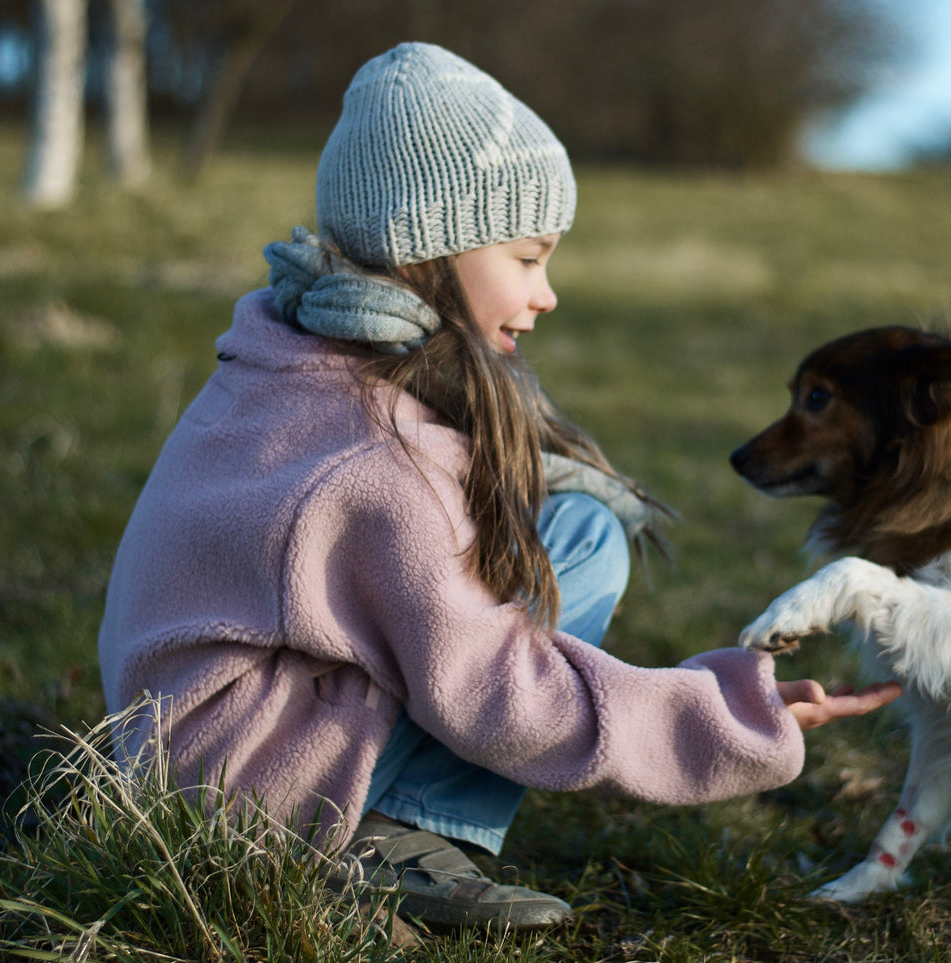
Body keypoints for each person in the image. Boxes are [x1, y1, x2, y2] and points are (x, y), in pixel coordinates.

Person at [96, 42, 899, 934]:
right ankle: (380, 845)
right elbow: (504, 698)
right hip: (237, 803)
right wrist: (728, 712)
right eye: (527, 256)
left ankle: (404, 830)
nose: (547, 292)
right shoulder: (379, 452)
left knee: (581, 525)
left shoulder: (289, 345)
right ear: (426, 250)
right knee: (547, 572)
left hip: (190, 741)